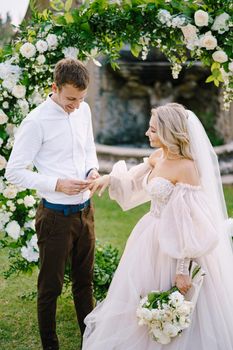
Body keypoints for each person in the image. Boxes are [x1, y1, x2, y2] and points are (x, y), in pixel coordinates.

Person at [82, 103, 233, 350]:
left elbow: (190, 222)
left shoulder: (187, 168)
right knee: (141, 295)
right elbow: (134, 179)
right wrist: (109, 179)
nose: (147, 134)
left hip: (177, 245)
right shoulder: (158, 156)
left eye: (152, 130)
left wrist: (183, 268)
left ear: (168, 132)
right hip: (150, 236)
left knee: (181, 301)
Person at [5, 58, 99, 350]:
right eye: (70, 98)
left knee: (84, 284)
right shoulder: (36, 121)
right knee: (50, 289)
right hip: (55, 217)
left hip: (86, 212)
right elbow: (14, 171)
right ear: (54, 88)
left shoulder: (83, 110)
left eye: (81, 99)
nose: (76, 105)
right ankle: (50, 346)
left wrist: (92, 171)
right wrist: (56, 183)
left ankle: (91, 343)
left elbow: (88, 148)